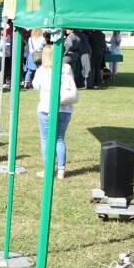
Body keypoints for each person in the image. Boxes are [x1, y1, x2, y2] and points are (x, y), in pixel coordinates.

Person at [33, 45, 77, 180]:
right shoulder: (67, 68)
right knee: (60, 138)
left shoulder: (42, 70)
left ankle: (48, 169)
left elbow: (35, 86)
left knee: (46, 140)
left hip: (46, 108)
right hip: (65, 108)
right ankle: (61, 170)